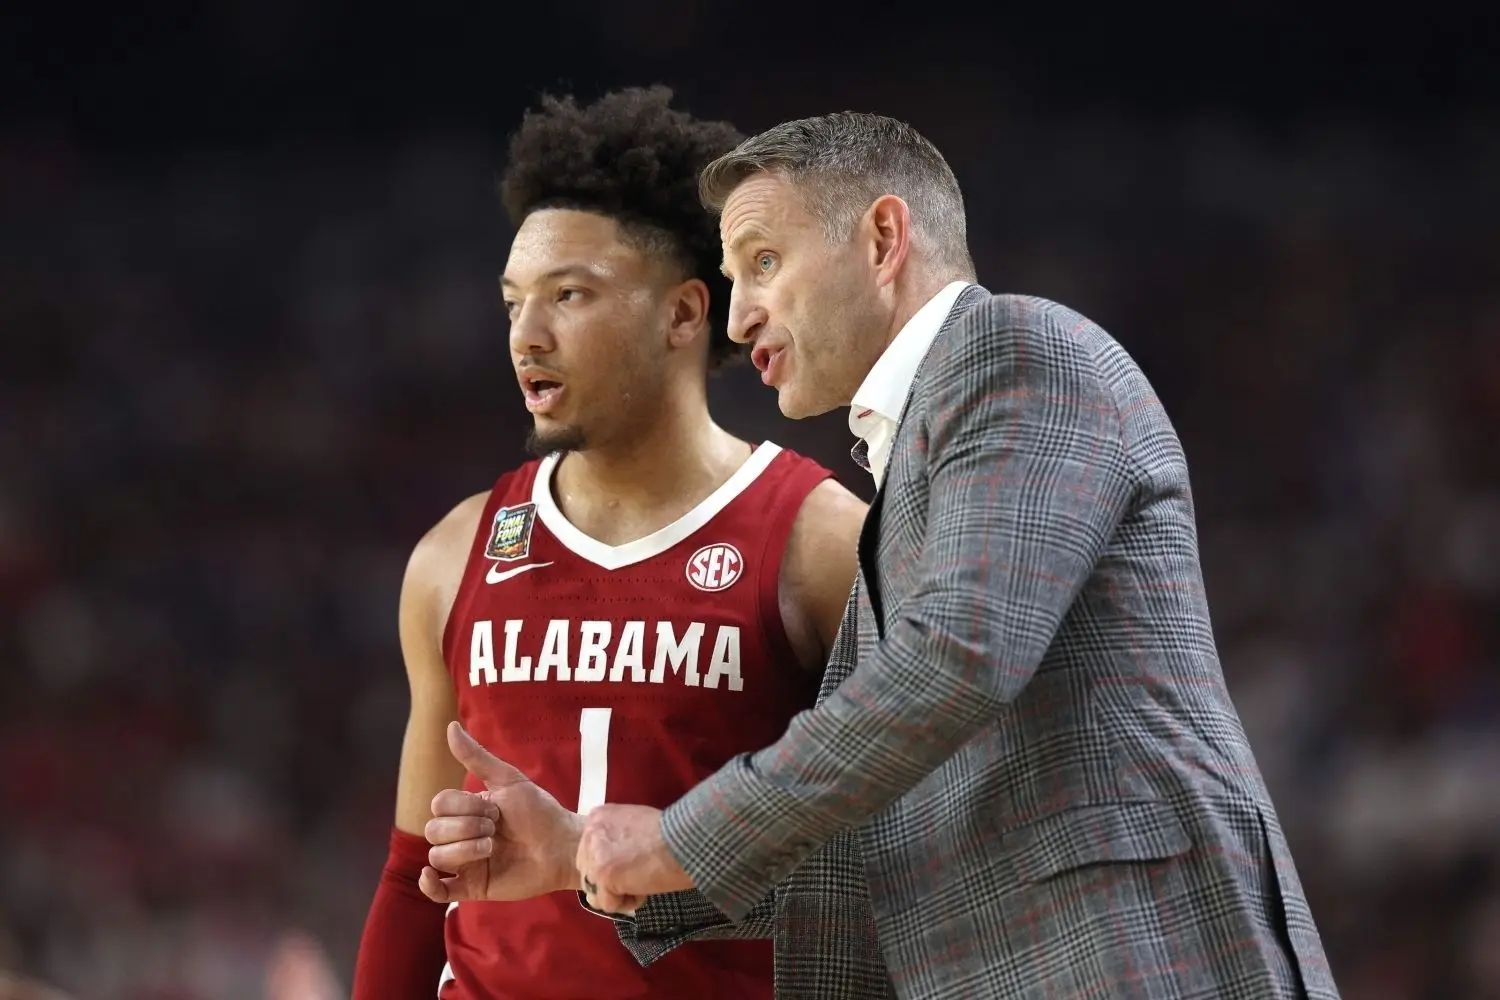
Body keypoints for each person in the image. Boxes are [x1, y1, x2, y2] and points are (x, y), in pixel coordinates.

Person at [433, 112, 1345, 998]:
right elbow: (880, 846)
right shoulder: (906, 477)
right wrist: (586, 856)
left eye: (763, 263)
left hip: (1133, 958)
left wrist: (677, 838)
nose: (740, 317)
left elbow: (957, 660)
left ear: (880, 240)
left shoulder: (1015, 352)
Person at [350, 88, 866, 1000]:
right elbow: (411, 879)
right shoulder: (453, 556)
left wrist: (590, 852)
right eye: (513, 303)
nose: (526, 336)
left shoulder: (821, 544)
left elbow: (891, 876)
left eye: (570, 296)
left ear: (682, 314)